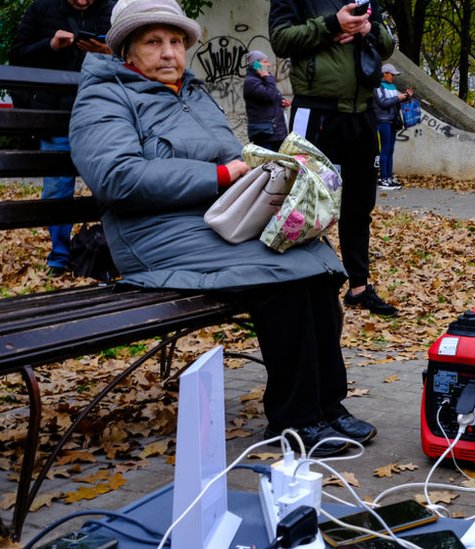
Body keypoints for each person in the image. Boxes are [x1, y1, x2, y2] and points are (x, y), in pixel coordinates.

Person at [68, 0, 377, 456]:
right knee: (282, 277)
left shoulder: (192, 93)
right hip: (154, 235)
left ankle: (327, 406)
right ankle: (294, 421)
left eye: (176, 41)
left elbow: (235, 157)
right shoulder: (106, 96)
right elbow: (118, 179)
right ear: (126, 51)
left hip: (219, 222)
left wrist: (274, 175)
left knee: (318, 262)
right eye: (153, 42)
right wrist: (217, 177)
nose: (169, 52)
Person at [269, 0, 398, 317]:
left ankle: (359, 287)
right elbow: (281, 39)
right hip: (316, 110)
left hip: (363, 112)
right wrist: (331, 25)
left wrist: (369, 29)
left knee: (359, 204)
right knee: (303, 202)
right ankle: (301, 287)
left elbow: (387, 45)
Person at [10, 0, 114, 276]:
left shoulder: (112, 10)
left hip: (102, 114)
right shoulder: (40, 9)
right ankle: (59, 257)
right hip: (55, 115)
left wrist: (107, 52)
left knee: (107, 185)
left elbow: (134, 57)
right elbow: (18, 55)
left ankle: (108, 250)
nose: (83, 1)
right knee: (57, 188)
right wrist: (50, 46)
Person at [373, 62, 413, 191]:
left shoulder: (392, 86)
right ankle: (383, 179)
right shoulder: (378, 86)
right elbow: (383, 103)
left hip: (393, 121)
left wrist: (406, 97)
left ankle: (389, 177)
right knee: (385, 150)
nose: (393, 77)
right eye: (391, 75)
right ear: (384, 74)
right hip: (383, 121)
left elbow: (396, 102)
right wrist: (398, 97)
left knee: (390, 150)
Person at [243, 50, 291, 152]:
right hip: (265, 133)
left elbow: (272, 95)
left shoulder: (262, 80)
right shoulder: (251, 81)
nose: (268, 65)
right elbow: (268, 95)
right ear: (255, 64)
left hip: (275, 132)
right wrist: (267, 76)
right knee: (268, 165)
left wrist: (281, 101)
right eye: (265, 62)